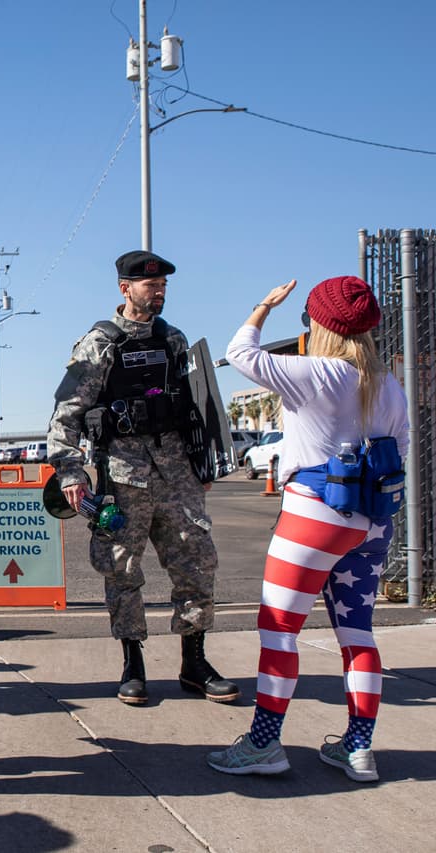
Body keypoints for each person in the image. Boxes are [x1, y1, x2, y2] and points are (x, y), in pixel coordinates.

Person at [208, 276, 408, 781]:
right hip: (373, 522)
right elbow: (400, 452)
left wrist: (263, 305)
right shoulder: (389, 384)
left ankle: (263, 745)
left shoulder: (316, 373)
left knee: (279, 631)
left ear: (321, 324)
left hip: (314, 517)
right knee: (358, 634)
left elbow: (239, 352)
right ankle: (358, 748)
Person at [46, 250, 238, 706]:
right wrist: (71, 471)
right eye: (150, 286)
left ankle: (195, 662)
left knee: (196, 561)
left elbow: (199, 407)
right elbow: (66, 412)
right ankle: (133, 662)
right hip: (123, 475)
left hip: (178, 474)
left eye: (163, 286)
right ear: (124, 288)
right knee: (122, 568)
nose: (158, 292)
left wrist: (205, 464)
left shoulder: (174, 340)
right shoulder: (100, 344)